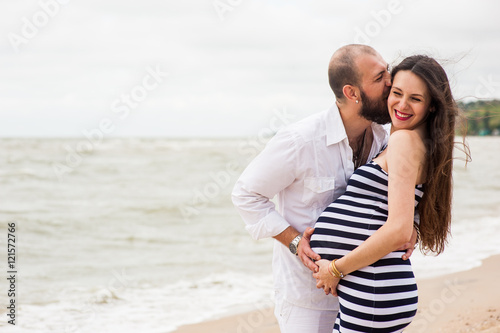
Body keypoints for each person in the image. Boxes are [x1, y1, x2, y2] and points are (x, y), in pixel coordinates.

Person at [231, 44, 418, 333]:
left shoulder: (386, 138)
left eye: (388, 72)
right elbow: (246, 194)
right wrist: (294, 240)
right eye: (380, 77)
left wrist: (411, 227)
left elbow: (400, 195)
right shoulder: (300, 141)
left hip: (366, 289)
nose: (390, 83)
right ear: (352, 92)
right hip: (309, 297)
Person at [310, 55, 465, 332]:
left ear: (431, 107)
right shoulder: (411, 142)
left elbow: (397, 229)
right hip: (373, 288)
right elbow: (404, 213)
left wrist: (335, 269)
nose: (402, 105)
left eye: (415, 99)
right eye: (396, 93)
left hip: (373, 289)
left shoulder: (404, 140)